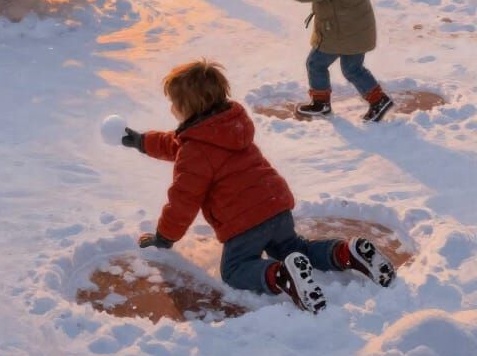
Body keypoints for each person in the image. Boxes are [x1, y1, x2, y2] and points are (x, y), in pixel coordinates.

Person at [121, 59, 396, 314]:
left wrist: (165, 236)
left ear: (187, 107)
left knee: (235, 270)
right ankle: (347, 253)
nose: (171, 109)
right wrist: (142, 141)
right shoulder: (230, 126)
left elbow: (183, 199)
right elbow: (177, 144)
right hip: (276, 208)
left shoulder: (195, 150)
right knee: (296, 248)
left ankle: (282, 276)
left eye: (174, 103)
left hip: (244, 224)